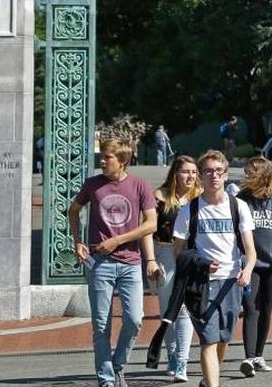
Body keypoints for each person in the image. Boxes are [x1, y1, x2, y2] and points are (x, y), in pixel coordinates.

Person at [67, 138, 158, 387]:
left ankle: (118, 365)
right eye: (102, 157)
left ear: (123, 160)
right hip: (99, 263)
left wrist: (118, 240)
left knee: (134, 319)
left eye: (107, 157)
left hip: (130, 263)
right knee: (101, 325)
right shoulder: (92, 184)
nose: (102, 161)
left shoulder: (140, 185)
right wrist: (78, 241)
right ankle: (106, 379)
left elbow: (151, 224)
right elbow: (73, 210)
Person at [172, 150, 256, 387]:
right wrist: (199, 266)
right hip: (201, 285)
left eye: (218, 171)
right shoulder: (190, 209)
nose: (214, 176)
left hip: (231, 282)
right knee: (208, 340)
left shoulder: (238, 207)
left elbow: (250, 250)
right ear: (200, 176)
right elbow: (178, 251)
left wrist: (247, 270)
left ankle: (209, 381)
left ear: (226, 175)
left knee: (222, 339)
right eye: (208, 171)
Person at [148, 155, 201, 382]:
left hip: (191, 255)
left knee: (184, 309)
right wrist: (150, 259)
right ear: (175, 174)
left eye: (193, 172)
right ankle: (171, 355)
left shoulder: (200, 197)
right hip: (165, 253)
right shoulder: (159, 196)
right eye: (185, 171)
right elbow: (148, 230)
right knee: (168, 310)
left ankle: (182, 361)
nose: (190, 176)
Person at [236, 156, 272, 377]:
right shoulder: (241, 199)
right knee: (251, 308)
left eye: (252, 172)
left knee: (266, 309)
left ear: (264, 174)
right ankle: (248, 358)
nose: (248, 175)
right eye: (246, 172)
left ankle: (258, 355)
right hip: (251, 264)